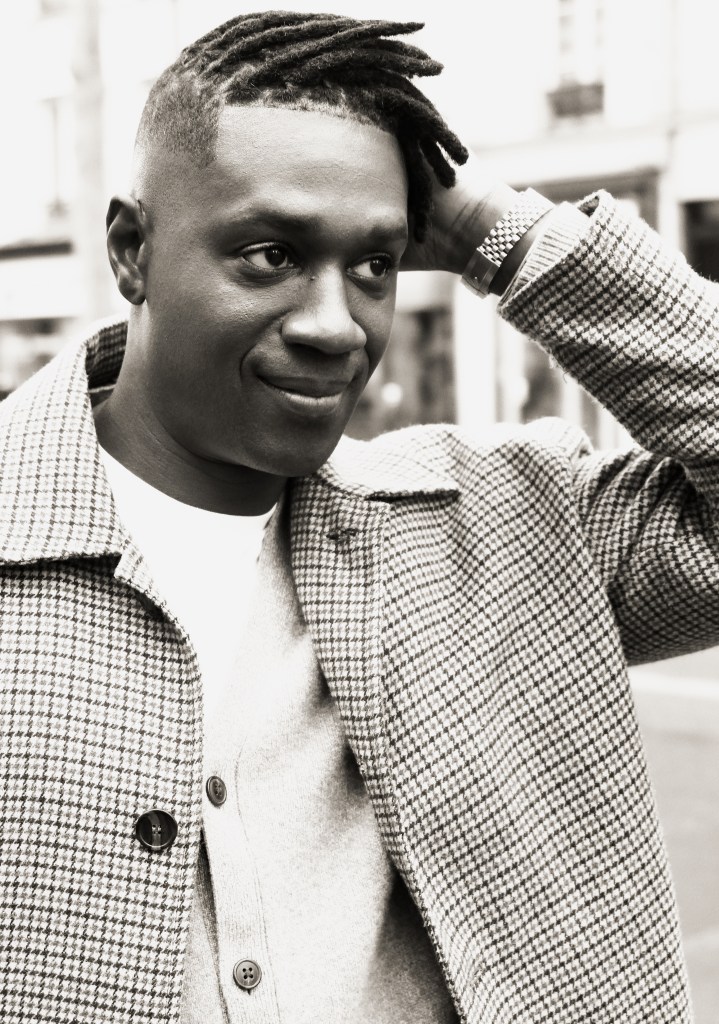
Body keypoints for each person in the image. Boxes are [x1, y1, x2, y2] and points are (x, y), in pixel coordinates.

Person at [0, 10, 709, 1024]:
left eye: (374, 263)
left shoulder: (507, 526)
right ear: (131, 251)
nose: (336, 325)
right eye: (268, 254)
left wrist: (488, 231)